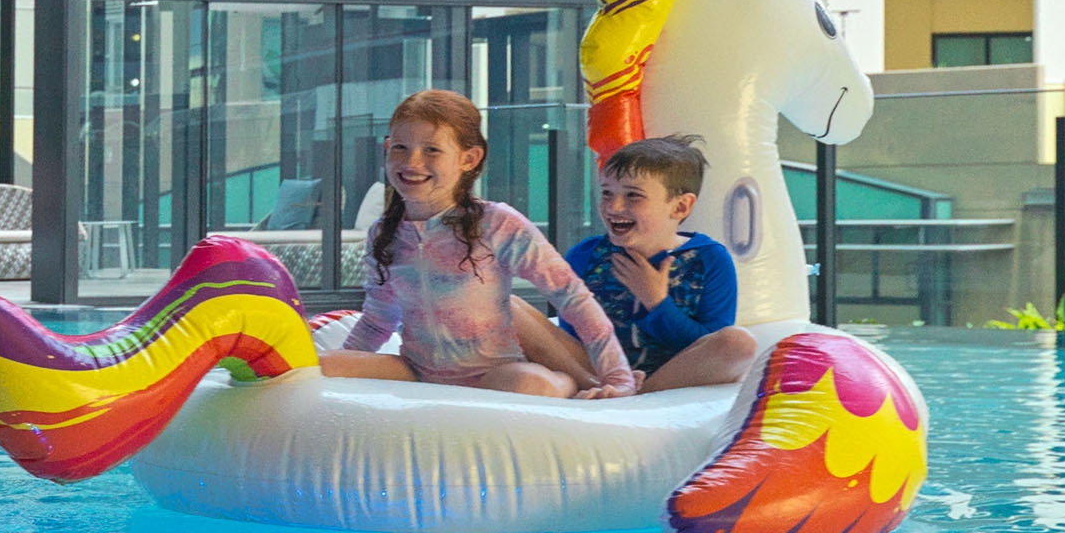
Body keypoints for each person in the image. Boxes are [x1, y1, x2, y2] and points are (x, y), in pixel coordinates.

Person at [314, 88, 635, 398]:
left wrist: (618, 377)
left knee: (529, 385)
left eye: (432, 150)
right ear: (386, 149)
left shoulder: (496, 223)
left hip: (493, 373)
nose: (411, 162)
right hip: (416, 370)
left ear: (469, 158)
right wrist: (346, 376)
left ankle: (566, 382)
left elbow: (572, 296)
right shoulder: (384, 233)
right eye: (400, 147)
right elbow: (377, 321)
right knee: (319, 366)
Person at [563, 136, 760, 396]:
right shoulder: (584, 255)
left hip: (672, 372)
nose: (614, 206)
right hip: (596, 368)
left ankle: (632, 395)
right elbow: (570, 339)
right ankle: (608, 385)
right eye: (607, 193)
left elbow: (707, 342)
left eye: (633, 196)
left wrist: (656, 303)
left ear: (680, 206)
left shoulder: (709, 259)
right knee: (514, 306)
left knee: (739, 343)